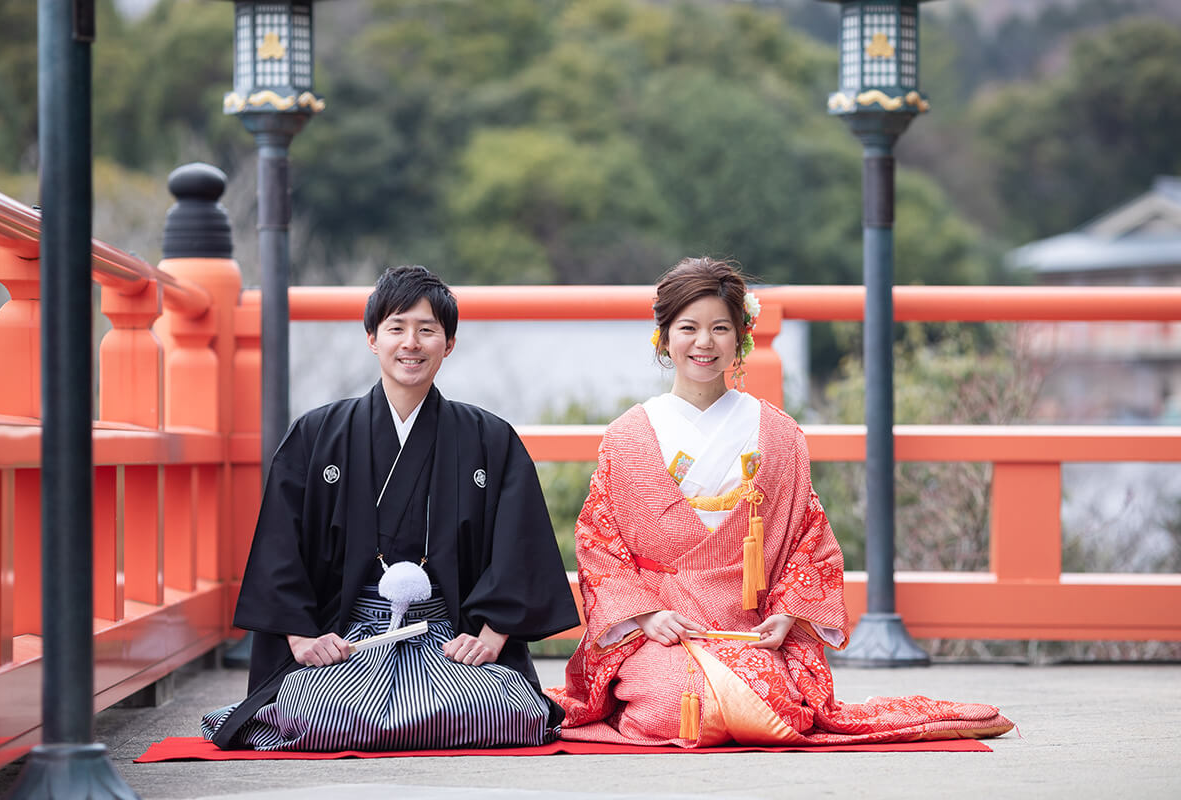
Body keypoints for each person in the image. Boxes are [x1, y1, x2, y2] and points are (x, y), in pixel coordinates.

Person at [548, 257, 1013, 746]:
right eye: (688, 327)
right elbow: (599, 540)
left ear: (740, 337)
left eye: (720, 328)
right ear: (664, 337)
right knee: (668, 707)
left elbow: (807, 539)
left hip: (747, 625)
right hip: (663, 628)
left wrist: (789, 613)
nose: (704, 343)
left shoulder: (778, 433)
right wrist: (645, 615)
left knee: (779, 705)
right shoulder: (628, 437)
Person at [203, 265, 579, 751]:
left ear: (449, 344)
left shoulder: (488, 438)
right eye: (397, 328)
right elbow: (281, 543)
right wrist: (301, 638)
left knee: (501, 711)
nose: (411, 343)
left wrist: (492, 633)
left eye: (427, 331)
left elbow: (520, 544)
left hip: (447, 637)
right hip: (351, 637)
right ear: (372, 339)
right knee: (317, 708)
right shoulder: (318, 435)